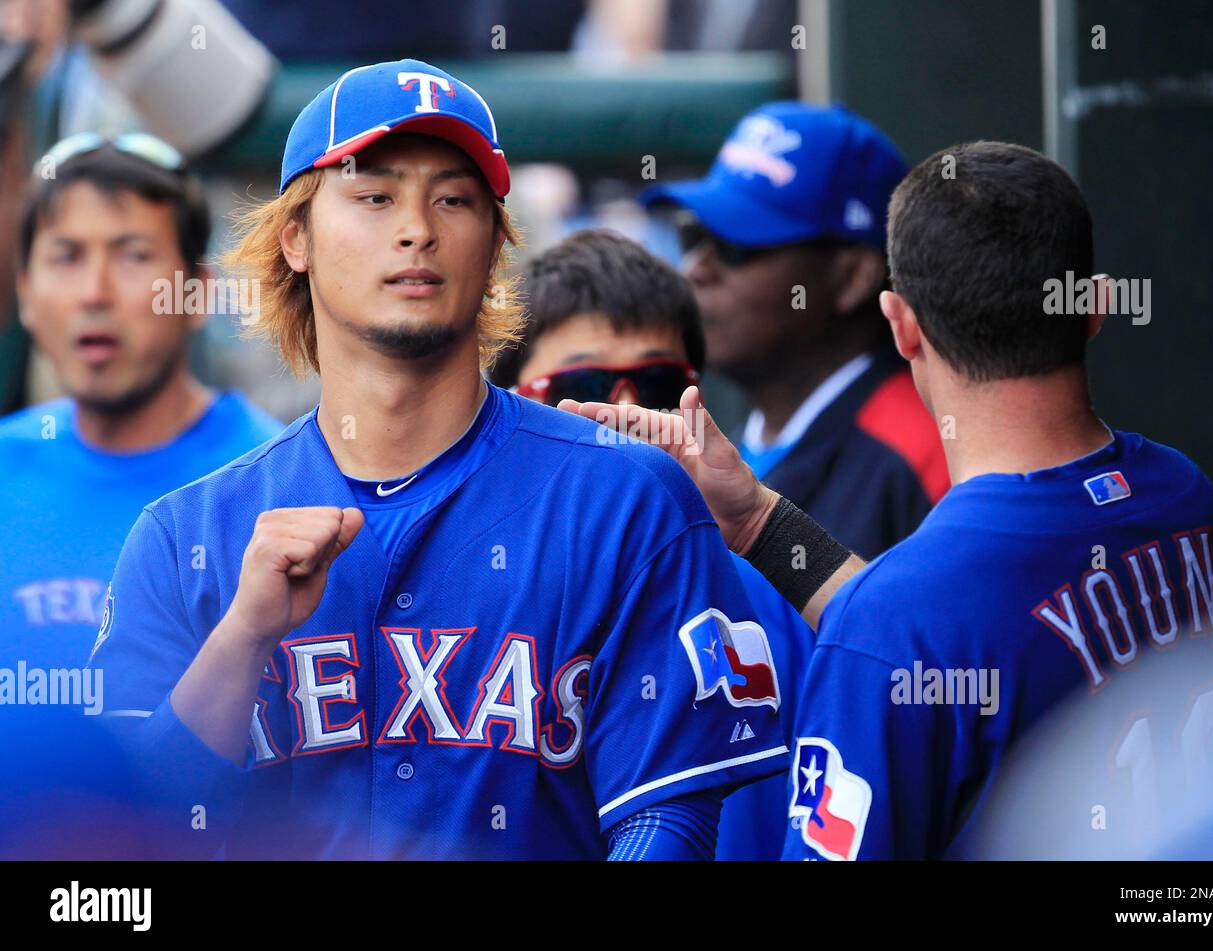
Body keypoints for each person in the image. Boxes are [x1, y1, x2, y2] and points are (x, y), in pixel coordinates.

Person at [92, 60, 787, 860]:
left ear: (494, 242)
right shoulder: (187, 536)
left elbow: (668, 820)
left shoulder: (623, 499)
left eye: (454, 199)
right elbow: (114, 849)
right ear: (296, 239)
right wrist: (242, 637)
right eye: (376, 195)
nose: (417, 227)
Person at [564, 141, 1213, 860]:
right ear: (1096, 306)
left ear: (901, 324)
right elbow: (964, 639)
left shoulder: (906, 619)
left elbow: (928, 634)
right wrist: (760, 521)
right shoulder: (1189, 498)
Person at [494, 228, 813, 860]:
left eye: (660, 383)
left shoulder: (774, 586)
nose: (627, 410)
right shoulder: (468, 579)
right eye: (582, 383)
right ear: (509, 401)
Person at [0, 133, 281, 673]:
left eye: (133, 256)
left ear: (199, 293)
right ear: (26, 295)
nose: (94, 293)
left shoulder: (274, 484)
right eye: (66, 256)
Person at [643, 101, 948, 558]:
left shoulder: (924, 453)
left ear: (852, 277)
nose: (695, 268)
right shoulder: (737, 437)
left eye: (735, 245)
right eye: (693, 236)